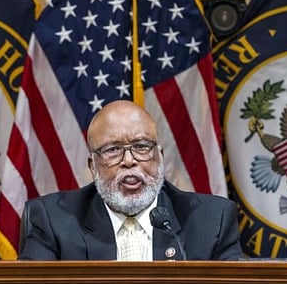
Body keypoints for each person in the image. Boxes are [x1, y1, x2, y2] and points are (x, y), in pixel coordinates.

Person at [20, 100, 243, 261]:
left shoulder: (212, 221)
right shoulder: (51, 220)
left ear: (160, 156)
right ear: (93, 166)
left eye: (141, 147)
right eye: (113, 150)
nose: (129, 161)